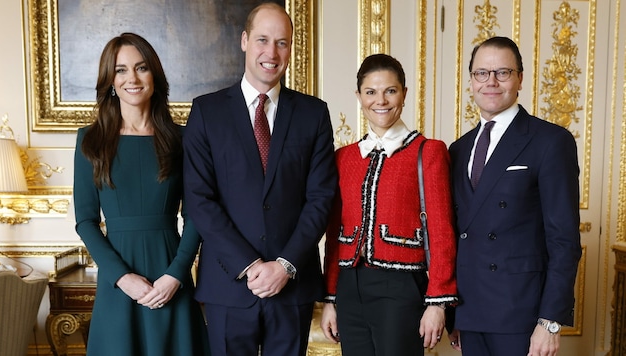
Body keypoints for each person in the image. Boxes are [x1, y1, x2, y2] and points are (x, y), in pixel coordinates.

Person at [182, 3, 337, 356]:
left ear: (290, 48)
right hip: (228, 283)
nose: (271, 52)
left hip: (292, 284)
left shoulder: (313, 113)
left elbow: (321, 198)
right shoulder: (207, 112)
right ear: (244, 40)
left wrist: (284, 266)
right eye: (263, 40)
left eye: (282, 43)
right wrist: (249, 265)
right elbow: (199, 200)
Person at [73, 32, 210, 356]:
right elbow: (87, 221)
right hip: (117, 284)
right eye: (120, 70)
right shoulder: (89, 141)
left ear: (155, 76)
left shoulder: (183, 139)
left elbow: (195, 216)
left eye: (141, 68)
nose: (131, 78)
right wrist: (122, 278)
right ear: (110, 80)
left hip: (171, 277)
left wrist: (176, 275)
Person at [447, 36, 582, 356]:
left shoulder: (550, 141)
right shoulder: (459, 148)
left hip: (523, 313)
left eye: (503, 72)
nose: (491, 82)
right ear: (470, 81)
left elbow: (564, 239)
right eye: (482, 73)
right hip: (470, 311)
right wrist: (452, 312)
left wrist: (550, 321)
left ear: (520, 78)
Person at [320, 53, 459, 356]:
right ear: (358, 96)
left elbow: (441, 231)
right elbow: (334, 235)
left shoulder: (428, 152)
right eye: (370, 92)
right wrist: (330, 299)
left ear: (404, 94)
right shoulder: (343, 158)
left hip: (401, 288)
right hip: (349, 288)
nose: (380, 100)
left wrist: (437, 302)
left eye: (390, 91)